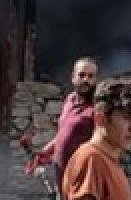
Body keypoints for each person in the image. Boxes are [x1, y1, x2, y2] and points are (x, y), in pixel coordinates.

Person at [41, 57, 100, 188]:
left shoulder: (96, 109)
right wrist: (44, 153)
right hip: (60, 175)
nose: (86, 80)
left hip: (80, 180)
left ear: (95, 80)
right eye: (82, 75)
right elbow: (63, 135)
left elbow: (99, 147)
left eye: (91, 76)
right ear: (73, 77)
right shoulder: (70, 99)